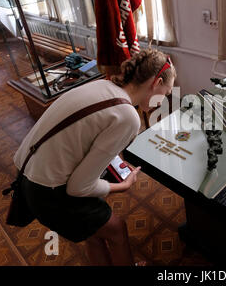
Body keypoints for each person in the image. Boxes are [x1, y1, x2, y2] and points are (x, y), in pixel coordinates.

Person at [13, 49, 176, 265]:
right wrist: (123, 185)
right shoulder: (128, 117)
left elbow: (84, 139)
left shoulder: (103, 85)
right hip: (48, 192)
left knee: (94, 232)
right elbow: (78, 187)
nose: (161, 101)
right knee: (116, 230)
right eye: (165, 93)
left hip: (26, 173)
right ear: (156, 83)